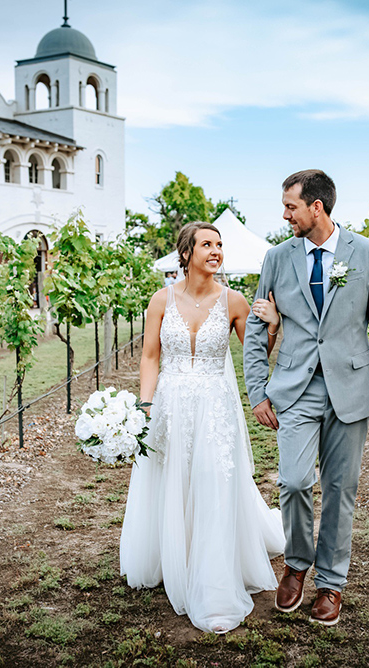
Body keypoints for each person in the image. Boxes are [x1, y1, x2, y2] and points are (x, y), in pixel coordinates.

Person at [243, 169, 369, 626]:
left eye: (291, 206)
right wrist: (257, 391)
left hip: (351, 391)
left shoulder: (367, 253)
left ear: (317, 207)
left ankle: (331, 584)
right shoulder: (277, 257)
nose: (284, 214)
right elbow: (258, 328)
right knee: (294, 481)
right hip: (294, 388)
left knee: (340, 490)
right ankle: (296, 564)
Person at [119, 222, 284, 634]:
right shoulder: (161, 299)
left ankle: (212, 576)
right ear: (187, 252)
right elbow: (150, 357)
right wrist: (146, 403)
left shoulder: (235, 301)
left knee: (212, 481)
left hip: (216, 407)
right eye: (207, 244)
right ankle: (176, 556)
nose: (216, 251)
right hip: (171, 405)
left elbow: (254, 355)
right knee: (172, 478)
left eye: (220, 244)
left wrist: (274, 327)